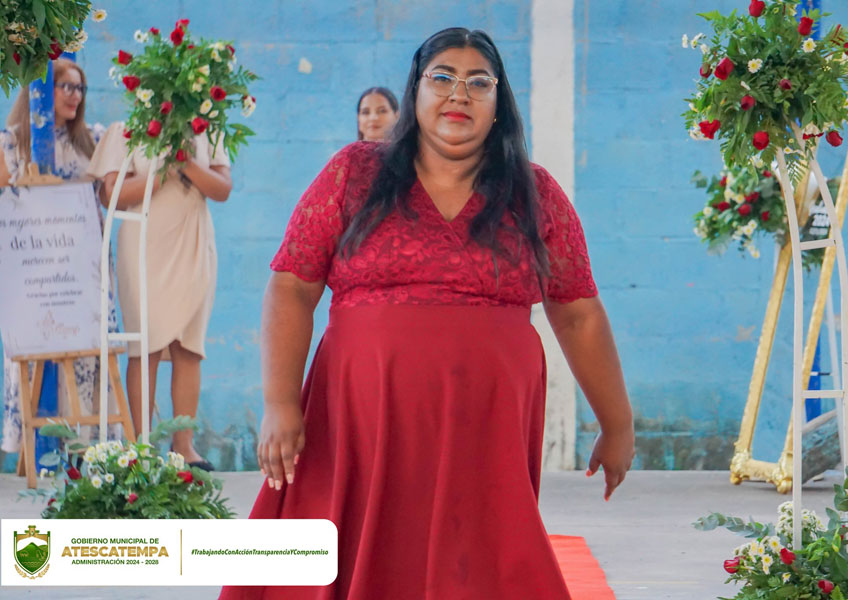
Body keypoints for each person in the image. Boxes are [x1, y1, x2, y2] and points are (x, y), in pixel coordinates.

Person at [221, 27, 634, 599]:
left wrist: (617, 424)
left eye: (478, 83)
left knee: (475, 566)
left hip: (482, 431)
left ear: (498, 104)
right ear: (414, 92)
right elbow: (291, 286)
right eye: (442, 77)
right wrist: (279, 402)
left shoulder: (534, 193)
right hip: (357, 426)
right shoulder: (354, 173)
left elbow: (579, 313)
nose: (459, 94)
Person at [87, 120, 232, 471]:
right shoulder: (127, 129)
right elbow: (111, 194)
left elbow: (223, 189)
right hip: (144, 244)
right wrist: (164, 170)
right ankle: (141, 447)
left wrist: (187, 162)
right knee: (145, 345)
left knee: (190, 346)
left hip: (193, 239)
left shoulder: (206, 127)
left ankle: (184, 447)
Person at [0, 59, 119, 456]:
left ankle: (87, 447)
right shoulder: (11, 142)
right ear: (40, 91)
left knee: (87, 352)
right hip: (34, 271)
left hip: (82, 270)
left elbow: (111, 194)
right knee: (32, 350)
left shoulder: (92, 140)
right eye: (65, 86)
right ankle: (36, 449)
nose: (75, 95)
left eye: (80, 88)